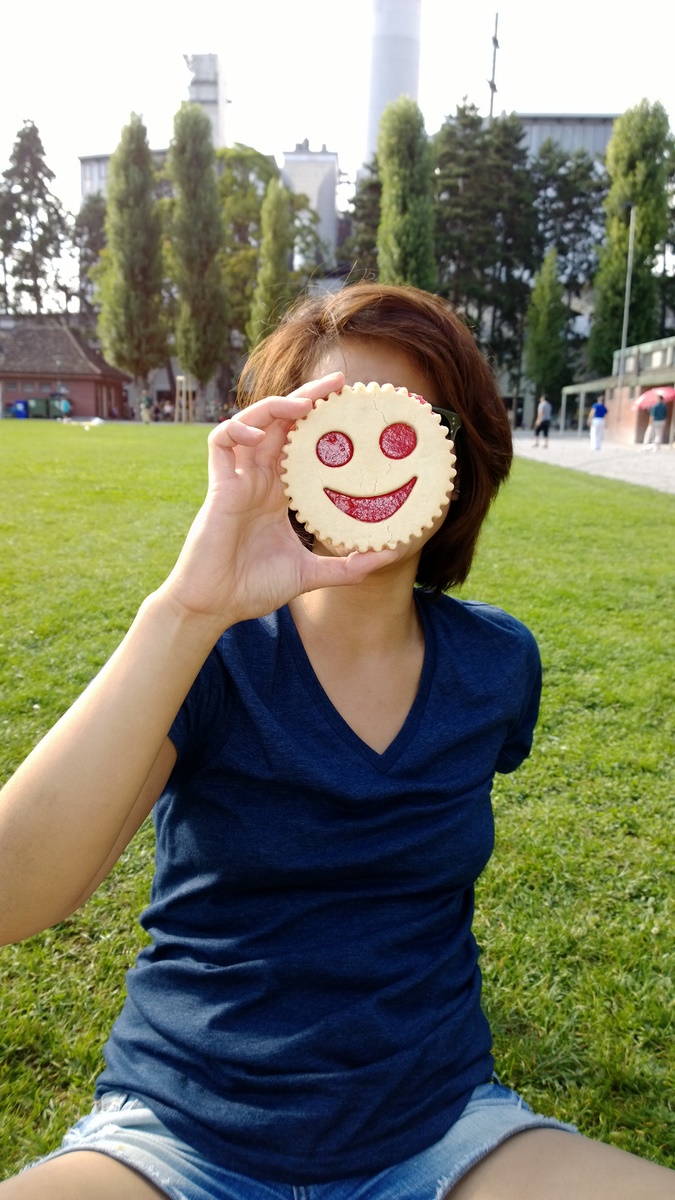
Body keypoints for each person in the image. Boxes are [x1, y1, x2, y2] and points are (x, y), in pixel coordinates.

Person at [1, 284, 673, 1200]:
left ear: (456, 456)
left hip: (443, 1126)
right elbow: (15, 896)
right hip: (177, 1132)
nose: (364, 461)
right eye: (328, 429)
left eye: (407, 428)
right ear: (281, 453)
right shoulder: (206, 655)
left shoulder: (495, 664)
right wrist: (188, 608)